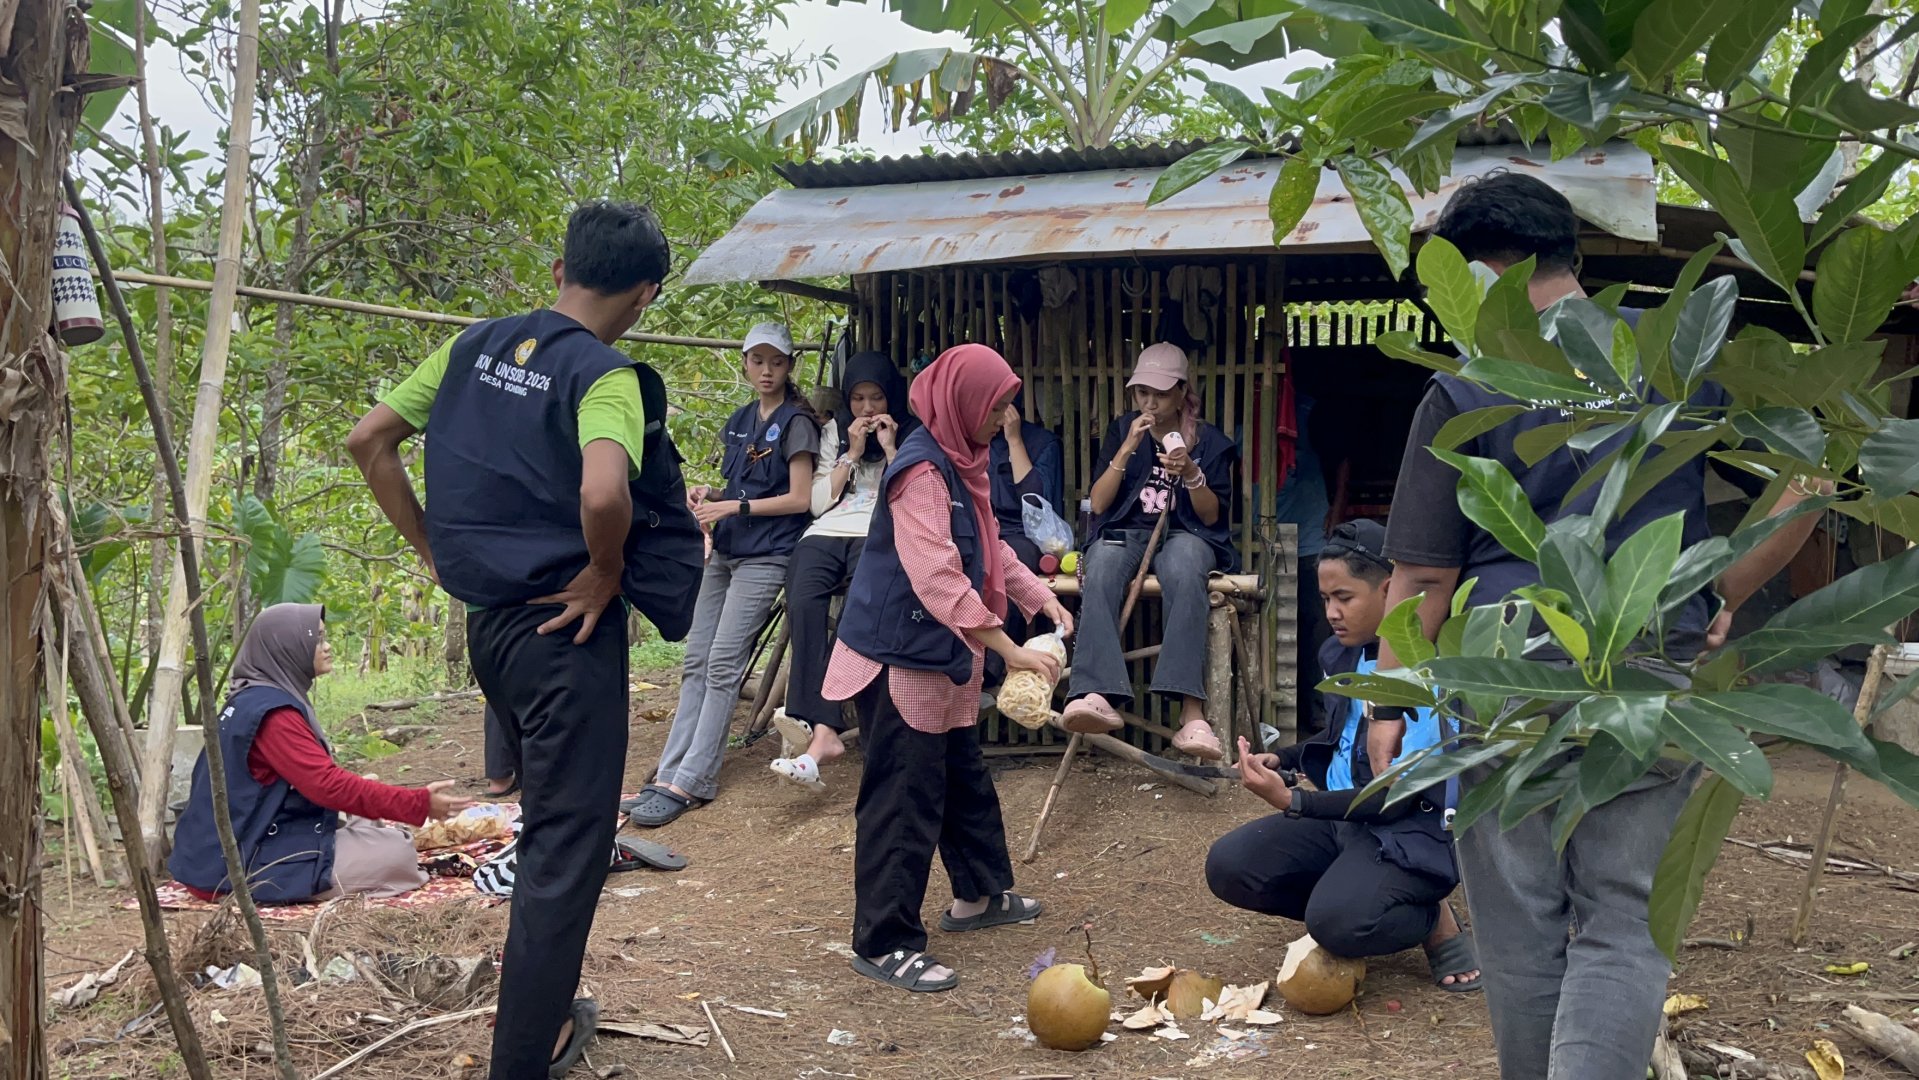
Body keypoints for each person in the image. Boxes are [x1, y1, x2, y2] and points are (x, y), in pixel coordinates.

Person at [1368, 172, 1830, 1080]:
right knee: (1623, 922)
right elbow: (1811, 475)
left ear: (1476, 271)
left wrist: (1390, 700)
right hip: (1648, 661)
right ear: (1571, 258)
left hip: (1509, 671)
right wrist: (1713, 590)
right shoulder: (1677, 362)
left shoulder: (1468, 385)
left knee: (1521, 924)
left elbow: (1423, 572)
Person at [347, 199, 697, 1080]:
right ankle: (523, 1054)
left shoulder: (473, 346)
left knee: (548, 827)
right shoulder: (605, 377)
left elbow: (369, 439)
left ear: (559, 272)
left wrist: (431, 548)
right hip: (563, 632)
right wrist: (608, 571)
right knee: (566, 848)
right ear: (647, 293)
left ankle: (539, 1010)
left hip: (489, 631)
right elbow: (604, 495)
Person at [823, 343, 1075, 993]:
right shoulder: (920, 471)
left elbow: (989, 549)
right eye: (995, 405)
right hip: (898, 655)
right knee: (903, 796)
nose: (1004, 416)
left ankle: (979, 894)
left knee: (959, 775)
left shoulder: (965, 461)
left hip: (939, 655)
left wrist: (1037, 596)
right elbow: (937, 577)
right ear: (964, 402)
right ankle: (883, 940)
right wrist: (1012, 650)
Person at [1203, 521, 1480, 991]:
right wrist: (1285, 760)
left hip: (1408, 832)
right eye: (1326, 598)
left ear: (1392, 591)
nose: (1331, 612)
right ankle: (1359, 895)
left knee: (1336, 925)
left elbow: (1398, 795)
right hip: (1346, 821)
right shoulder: (1342, 653)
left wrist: (1295, 804)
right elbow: (1341, 738)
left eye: (1344, 598)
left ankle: (1430, 918)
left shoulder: (1427, 673)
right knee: (1229, 868)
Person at [631, 322, 820, 825]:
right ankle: (668, 772)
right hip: (729, 550)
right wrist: (709, 496)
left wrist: (733, 507)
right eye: (757, 360)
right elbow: (736, 486)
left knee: (723, 665)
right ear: (744, 363)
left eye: (776, 362)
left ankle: (693, 779)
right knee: (696, 659)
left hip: (767, 554)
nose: (766, 370)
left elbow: (799, 499)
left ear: (788, 366)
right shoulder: (739, 419)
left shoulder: (798, 422)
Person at [170, 603, 472, 903]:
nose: (327, 648)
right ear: (286, 647)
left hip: (223, 848)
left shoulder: (252, 696)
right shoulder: (274, 716)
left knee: (370, 804)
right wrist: (416, 804)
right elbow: (327, 786)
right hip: (234, 866)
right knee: (397, 853)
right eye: (317, 640)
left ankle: (361, 840)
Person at [1060, 343, 1240, 758]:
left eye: (1160, 394)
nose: (1150, 402)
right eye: (1142, 393)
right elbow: (1100, 504)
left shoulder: (1210, 442)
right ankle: (1094, 694)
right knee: (1101, 561)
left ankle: (1191, 713)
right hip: (1128, 531)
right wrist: (1125, 449)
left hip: (1186, 534)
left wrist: (1192, 473)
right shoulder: (1122, 430)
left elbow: (1212, 518)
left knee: (1186, 565)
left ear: (1181, 392)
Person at [769, 351, 916, 790]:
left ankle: (822, 727)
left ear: (892, 397)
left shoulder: (911, 433)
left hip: (879, 530)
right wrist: (852, 451)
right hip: (828, 530)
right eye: (858, 399)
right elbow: (817, 502)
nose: (868, 410)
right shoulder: (832, 432)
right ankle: (819, 723)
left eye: (876, 398)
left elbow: (908, 493)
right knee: (803, 599)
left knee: (857, 609)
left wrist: (890, 448)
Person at [984, 390, 1066, 688]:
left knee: (1013, 561)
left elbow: (1035, 501)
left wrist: (1014, 439)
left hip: (1021, 532)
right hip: (977, 526)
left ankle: (990, 671)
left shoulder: (1041, 442)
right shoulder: (965, 439)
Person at [1274, 389, 1334, 736]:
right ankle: (1291, 718)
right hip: (1270, 540)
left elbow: (1341, 458)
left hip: (1312, 537)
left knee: (1317, 630)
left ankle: (1320, 716)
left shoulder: (1312, 413)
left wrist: (1335, 509)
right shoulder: (1246, 421)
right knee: (1281, 634)